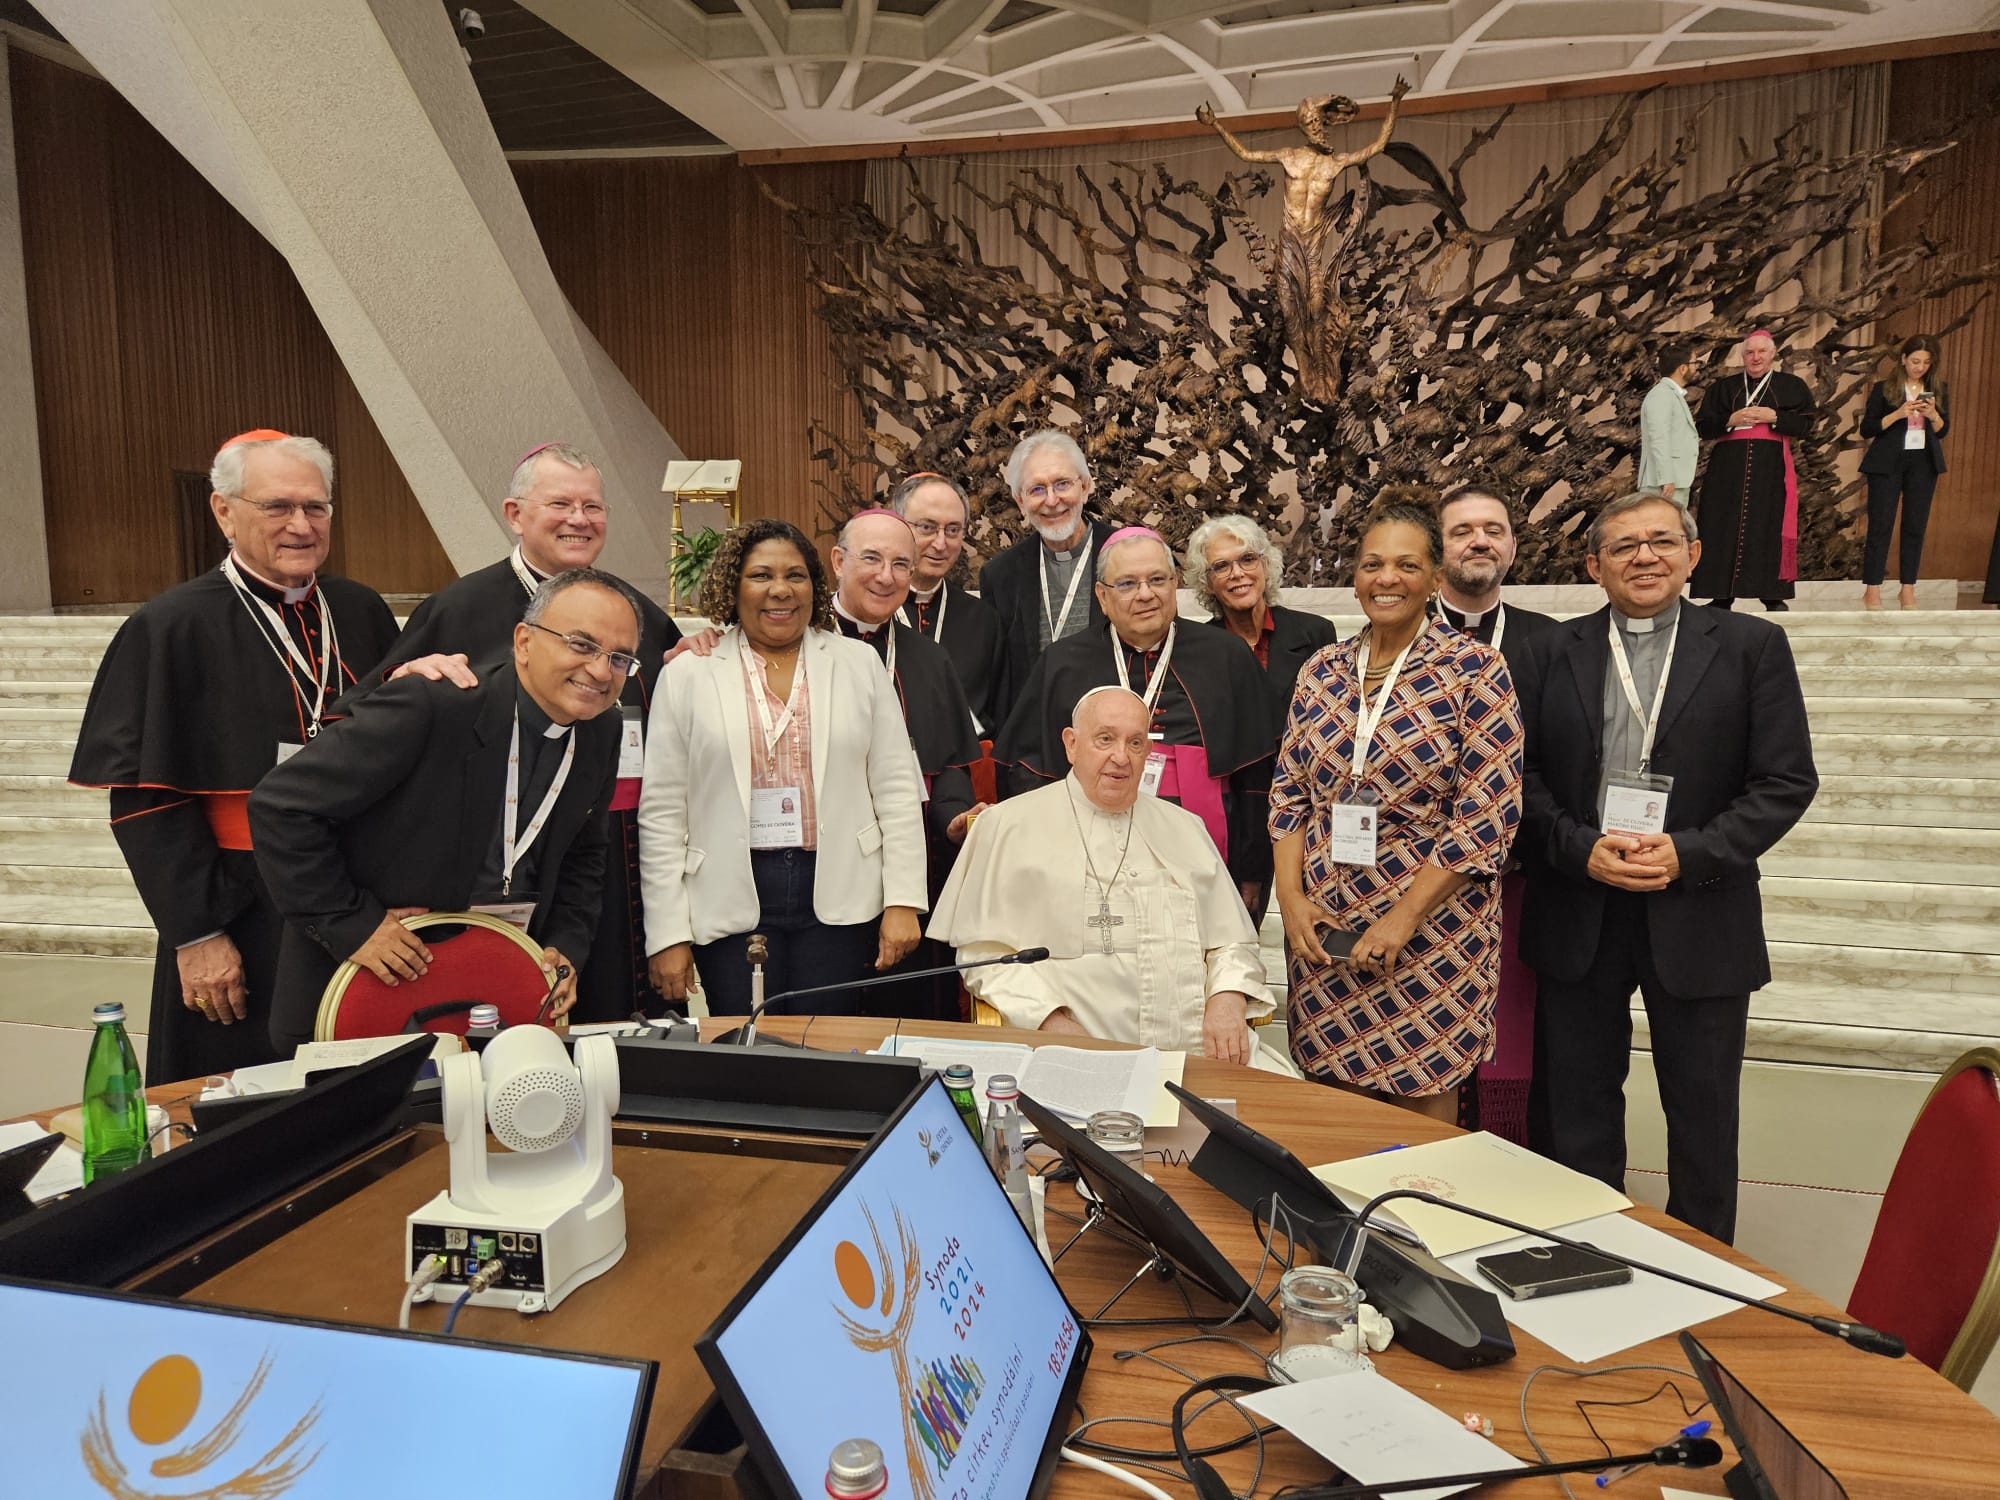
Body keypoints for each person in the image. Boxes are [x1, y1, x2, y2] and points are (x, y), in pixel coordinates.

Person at [1511, 493, 1817, 1243]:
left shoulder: (1751, 645)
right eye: (1622, 546)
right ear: (1594, 565)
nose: (1643, 557)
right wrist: (1581, 846)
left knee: (1704, 1103)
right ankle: (1583, 1242)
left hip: (1701, 905)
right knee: (1578, 1099)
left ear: (1693, 554)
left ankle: (1704, 1256)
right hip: (1583, 899)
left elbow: (1784, 782)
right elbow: (1521, 776)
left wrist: (1690, 851)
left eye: (1660, 542)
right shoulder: (1553, 651)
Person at [68, 430, 399, 1083]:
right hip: (241, 906)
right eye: (278, 507)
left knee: (354, 1078)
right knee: (242, 1093)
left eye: (317, 507)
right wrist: (196, 933)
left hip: (354, 895)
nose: (301, 526)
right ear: (224, 511)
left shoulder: (359, 611)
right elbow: (145, 801)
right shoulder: (170, 626)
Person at [357, 442, 682, 1023]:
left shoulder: (632, 612)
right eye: (561, 503)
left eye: (593, 507)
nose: (580, 519)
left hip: (606, 851)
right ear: (515, 514)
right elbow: (370, 717)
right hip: (488, 858)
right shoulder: (458, 607)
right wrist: (405, 677)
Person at [249, 569, 636, 1052]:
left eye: (620, 658)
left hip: (490, 990)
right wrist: (352, 922)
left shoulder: (601, 730)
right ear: (524, 641)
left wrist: (565, 949)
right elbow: (280, 807)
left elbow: (584, 853)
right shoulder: (434, 703)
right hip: (368, 984)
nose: (601, 671)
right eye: (581, 645)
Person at [1271, 499, 1523, 1124]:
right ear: (1353, 578)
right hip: (1325, 924)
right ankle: (1339, 1221)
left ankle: (1412, 1220)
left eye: (1406, 564)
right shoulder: (1322, 670)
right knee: (1332, 1096)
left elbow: (1486, 816)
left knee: (1418, 1103)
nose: (1387, 578)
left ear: (1436, 578)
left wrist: (1403, 919)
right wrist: (1291, 901)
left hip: (1433, 930)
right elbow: (1289, 795)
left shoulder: (1474, 669)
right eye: (1372, 564)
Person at [638, 519, 927, 1017]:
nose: (780, 590)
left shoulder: (858, 664)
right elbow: (663, 812)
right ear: (733, 585)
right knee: (747, 1045)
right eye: (760, 575)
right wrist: (667, 934)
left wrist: (903, 899)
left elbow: (897, 789)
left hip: (840, 888)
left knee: (829, 1046)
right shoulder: (688, 675)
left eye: (796, 575)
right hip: (729, 890)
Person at [930, 687, 1274, 1065]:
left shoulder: (1186, 829)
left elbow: (1233, 942)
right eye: (1105, 739)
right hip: (1073, 1056)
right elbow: (986, 958)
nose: (1120, 757)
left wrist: (1227, 997)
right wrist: (1049, 1022)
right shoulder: (1007, 826)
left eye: (1136, 743)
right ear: (1072, 744)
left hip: (1201, 1053)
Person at [994, 526, 1275, 911]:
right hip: (1085, 857)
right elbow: (1029, 774)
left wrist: (1251, 870)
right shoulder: (1062, 662)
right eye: (1127, 584)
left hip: (1204, 853)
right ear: (1102, 597)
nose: (1145, 594)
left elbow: (1258, 778)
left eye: (1157, 580)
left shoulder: (1226, 656)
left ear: (1175, 584)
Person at [1430, 483, 1559, 1143]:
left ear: (1511, 544)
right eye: (1462, 530)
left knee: (1513, 1022)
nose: (1479, 541)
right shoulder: (1398, 635)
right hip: (1420, 880)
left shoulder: (1552, 643)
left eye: (1492, 529)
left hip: (1518, 875)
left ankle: (1505, 1154)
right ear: (1437, 548)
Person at [830, 508, 986, 1019]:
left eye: (901, 564)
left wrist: (958, 821)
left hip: (917, 864)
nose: (885, 576)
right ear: (838, 561)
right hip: (829, 864)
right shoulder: (801, 648)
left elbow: (948, 771)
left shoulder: (928, 658)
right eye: (871, 559)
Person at [977, 431, 1117, 697]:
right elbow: (999, 678)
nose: (1052, 500)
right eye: (1037, 489)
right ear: (1020, 501)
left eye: (1062, 484)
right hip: (1035, 729)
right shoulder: (1000, 575)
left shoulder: (1125, 552)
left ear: (1085, 487)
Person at [1689, 330, 1816, 611]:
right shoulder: (1724, 387)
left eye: (1761, 352)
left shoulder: (1791, 385)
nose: (1755, 357)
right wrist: (1730, 419)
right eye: (1749, 352)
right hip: (1727, 468)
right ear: (1742, 356)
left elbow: (1808, 425)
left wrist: (1776, 417)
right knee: (1721, 524)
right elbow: (1702, 427)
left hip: (1771, 467)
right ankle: (1720, 595)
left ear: (1772, 354)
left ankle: (1772, 595)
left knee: (1769, 524)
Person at [1189, 514, 1337, 732]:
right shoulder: (1197, 649)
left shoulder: (1316, 633)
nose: (1238, 574)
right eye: (1221, 566)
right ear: (1207, 583)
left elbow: (1332, 721)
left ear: (1265, 566)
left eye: (1248, 559)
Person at [890, 472, 1011, 734]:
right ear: (899, 525)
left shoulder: (983, 620)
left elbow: (999, 714)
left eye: (953, 530)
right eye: (927, 527)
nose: (941, 543)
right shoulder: (871, 611)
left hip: (961, 771)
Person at [1858, 336, 1949, 611]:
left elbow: (1943, 430)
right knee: (1880, 525)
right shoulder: (1884, 388)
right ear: (1903, 359)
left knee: (1914, 527)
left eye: (1925, 362)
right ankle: (1872, 589)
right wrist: (1898, 414)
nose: (1919, 367)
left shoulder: (1937, 389)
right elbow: (1867, 428)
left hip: (1923, 462)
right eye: (1915, 361)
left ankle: (1907, 588)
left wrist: (1933, 415)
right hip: (1886, 463)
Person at [1637, 342, 1700, 501]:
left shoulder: (1671, 394)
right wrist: (1666, 478)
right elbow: (1659, 437)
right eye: (1694, 363)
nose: (1697, 367)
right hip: (1663, 484)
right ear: (1683, 368)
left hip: (1674, 481)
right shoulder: (1661, 395)